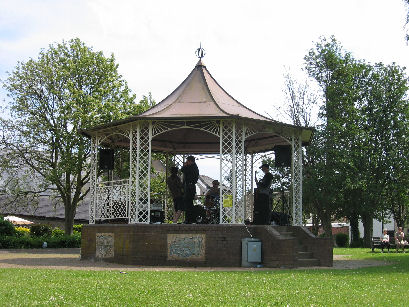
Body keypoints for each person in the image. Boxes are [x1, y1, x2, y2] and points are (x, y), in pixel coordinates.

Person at [181, 156, 199, 224]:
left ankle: (189, 219)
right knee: (188, 204)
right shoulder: (193, 167)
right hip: (189, 187)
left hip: (189, 188)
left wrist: (185, 165)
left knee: (188, 204)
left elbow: (183, 170)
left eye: (187, 161)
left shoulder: (192, 167)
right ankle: (189, 219)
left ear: (190, 161)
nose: (186, 162)